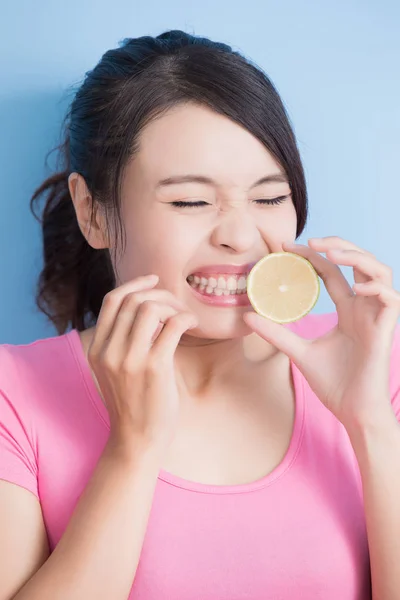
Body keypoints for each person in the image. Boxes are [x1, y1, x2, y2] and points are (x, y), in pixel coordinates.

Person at [1, 29, 400, 600]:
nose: (242, 237)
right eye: (190, 201)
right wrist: (133, 449)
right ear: (92, 212)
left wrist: (371, 427)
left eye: (269, 198)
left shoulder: (378, 360)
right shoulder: (13, 396)